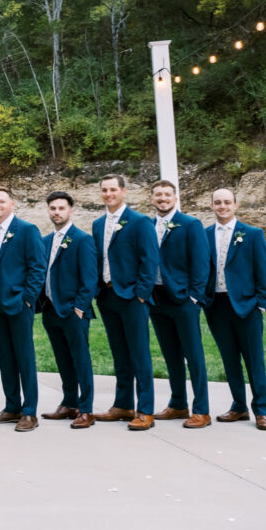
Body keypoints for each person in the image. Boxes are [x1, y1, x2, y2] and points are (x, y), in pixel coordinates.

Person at [92, 174, 161, 431]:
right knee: (119, 353)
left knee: (139, 354)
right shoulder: (98, 224)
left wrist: (141, 294)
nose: (108, 194)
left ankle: (146, 410)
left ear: (123, 191)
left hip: (132, 297)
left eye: (113, 189)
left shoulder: (140, 221)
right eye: (104, 190)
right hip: (107, 296)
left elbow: (150, 260)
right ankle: (122, 404)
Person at [0, 188, 46, 431]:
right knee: (5, 356)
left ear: (12, 204)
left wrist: (27, 299)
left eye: (2, 201)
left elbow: (38, 267)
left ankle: (29, 412)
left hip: (19, 303)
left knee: (24, 357)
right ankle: (12, 406)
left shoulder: (27, 230)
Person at [147, 180, 214, 427]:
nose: (162, 198)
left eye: (167, 195)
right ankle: (178, 404)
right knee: (170, 353)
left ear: (175, 198)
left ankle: (202, 410)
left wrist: (194, 296)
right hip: (156, 298)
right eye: (158, 195)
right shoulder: (147, 225)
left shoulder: (190, 224)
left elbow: (202, 262)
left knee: (193, 355)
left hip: (184, 298)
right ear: (152, 198)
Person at [207, 188, 266, 430]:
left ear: (236, 205)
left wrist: (261, 304)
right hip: (216, 305)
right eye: (218, 202)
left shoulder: (252, 234)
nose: (222, 206)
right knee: (229, 359)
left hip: (247, 305)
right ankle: (238, 407)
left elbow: (264, 269)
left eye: (227, 202)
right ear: (212, 206)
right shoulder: (204, 235)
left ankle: (262, 410)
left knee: (254, 360)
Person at [37, 191, 102, 428]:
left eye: (61, 208)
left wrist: (79, 308)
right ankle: (69, 403)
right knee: (62, 359)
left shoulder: (82, 240)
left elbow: (90, 279)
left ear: (70, 211)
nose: (56, 212)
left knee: (81, 360)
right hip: (50, 310)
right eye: (53, 208)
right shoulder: (45, 241)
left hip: (73, 311)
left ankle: (86, 410)